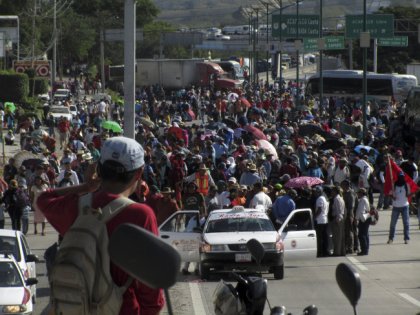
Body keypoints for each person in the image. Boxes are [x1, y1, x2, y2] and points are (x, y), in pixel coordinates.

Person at [37, 136, 164, 314]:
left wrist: (86, 187)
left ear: (99, 168)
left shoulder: (79, 206)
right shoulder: (141, 215)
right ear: (139, 172)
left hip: (75, 306)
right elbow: (151, 292)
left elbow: (44, 198)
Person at [387, 172, 411, 244]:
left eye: (402, 177)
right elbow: (390, 194)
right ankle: (391, 238)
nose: (401, 178)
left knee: (406, 223)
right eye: (400, 177)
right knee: (393, 224)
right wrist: (392, 197)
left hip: (405, 206)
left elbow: (409, 194)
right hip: (396, 207)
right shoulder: (394, 185)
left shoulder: (407, 185)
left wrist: (413, 193)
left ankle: (406, 238)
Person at [330, 186, 346, 256]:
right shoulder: (340, 198)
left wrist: (337, 219)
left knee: (337, 237)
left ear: (335, 191)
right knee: (340, 236)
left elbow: (339, 210)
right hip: (340, 218)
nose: (331, 193)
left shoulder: (337, 199)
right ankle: (341, 251)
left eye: (332, 191)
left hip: (337, 218)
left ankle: (337, 252)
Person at [313, 186, 329, 257]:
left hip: (320, 220)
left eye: (316, 192)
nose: (315, 193)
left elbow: (319, 210)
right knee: (324, 237)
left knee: (320, 238)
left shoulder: (319, 199)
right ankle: (325, 251)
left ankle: (320, 252)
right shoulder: (324, 198)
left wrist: (314, 217)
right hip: (324, 219)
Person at [355, 188, 371, 255]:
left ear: (361, 193)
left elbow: (360, 211)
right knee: (365, 234)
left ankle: (364, 250)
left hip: (363, 219)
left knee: (361, 235)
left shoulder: (362, 200)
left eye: (358, 193)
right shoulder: (365, 199)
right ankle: (366, 249)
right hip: (366, 217)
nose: (357, 194)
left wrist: (356, 219)